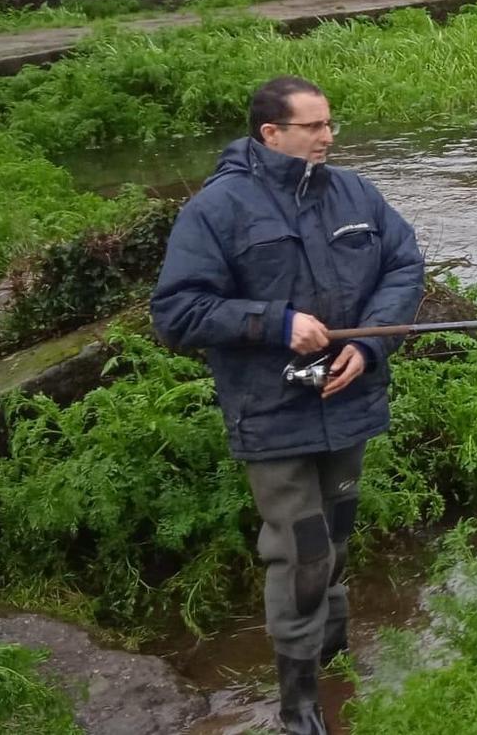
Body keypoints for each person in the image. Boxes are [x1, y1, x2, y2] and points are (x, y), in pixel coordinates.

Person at [151, 76, 424, 735]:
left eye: (331, 124)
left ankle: (333, 670)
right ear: (271, 134)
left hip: (348, 401)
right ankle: (300, 707)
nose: (329, 137)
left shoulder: (356, 191)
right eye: (314, 127)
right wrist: (275, 323)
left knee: (335, 541)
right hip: (272, 414)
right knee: (301, 552)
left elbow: (404, 264)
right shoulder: (217, 210)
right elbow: (176, 312)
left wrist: (370, 344)